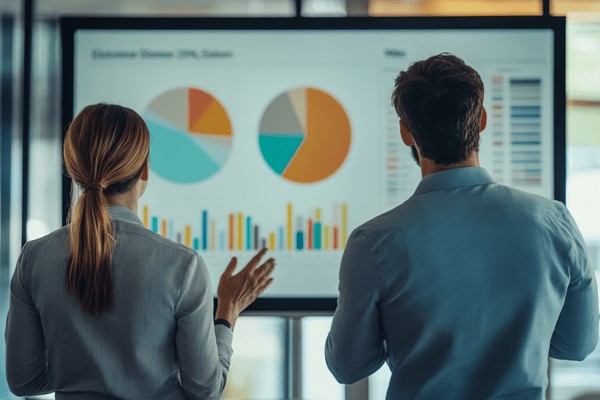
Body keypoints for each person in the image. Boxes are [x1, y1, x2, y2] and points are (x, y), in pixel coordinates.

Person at [325, 53, 599, 399]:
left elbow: (348, 366)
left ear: (406, 132)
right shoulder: (553, 221)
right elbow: (577, 344)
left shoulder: (372, 242)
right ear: (481, 120)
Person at [5, 104, 275, 399]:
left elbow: (23, 381)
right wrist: (227, 312)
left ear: (74, 169)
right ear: (144, 168)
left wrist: (80, 369)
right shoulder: (182, 266)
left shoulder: (34, 259)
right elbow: (205, 390)